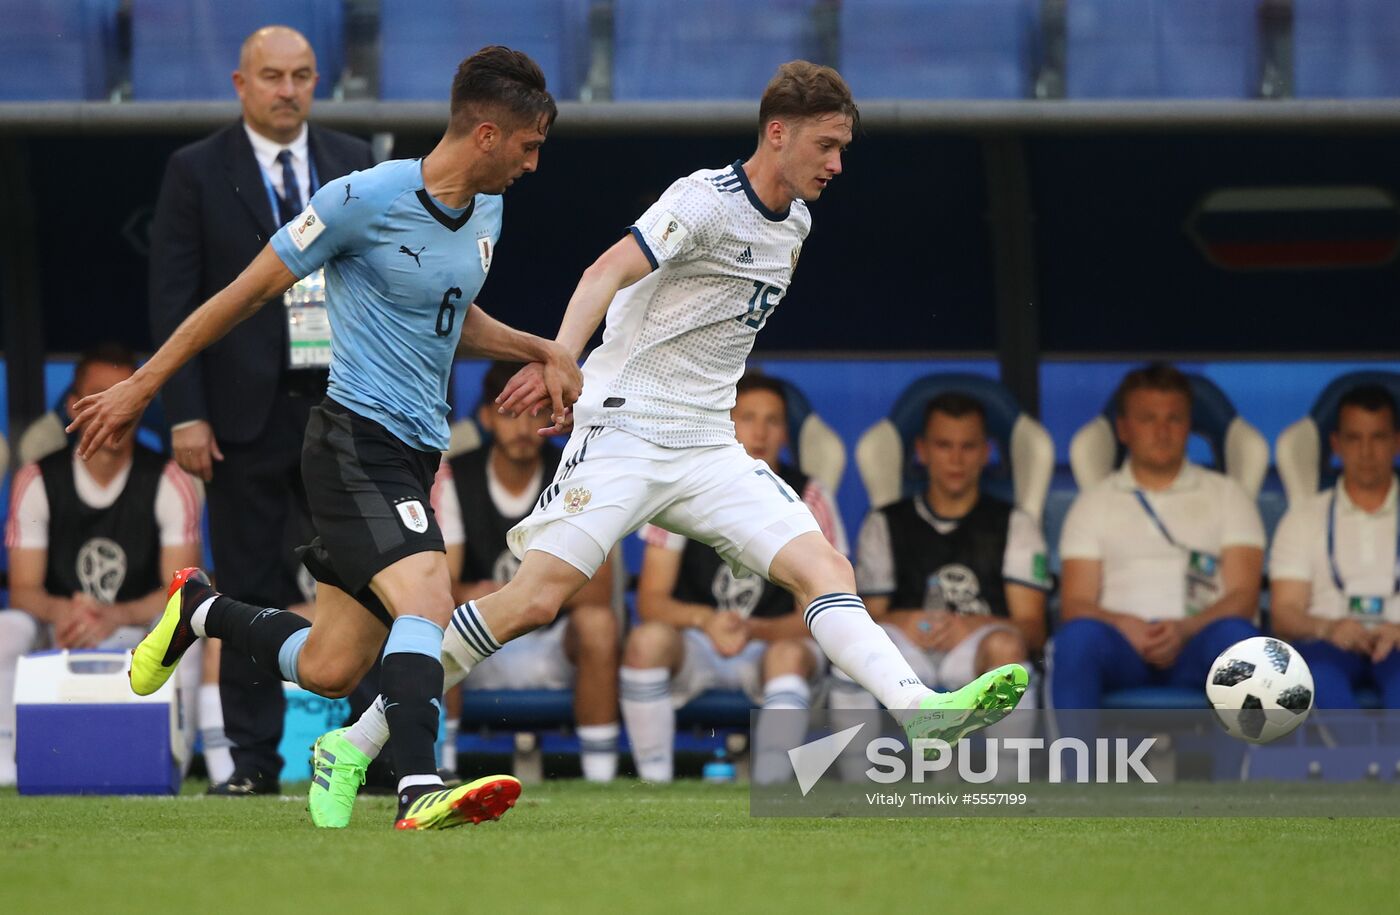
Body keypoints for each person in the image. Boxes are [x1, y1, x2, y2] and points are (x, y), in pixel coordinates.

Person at [298, 60, 1027, 815]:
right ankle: (354, 741)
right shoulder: (701, 200)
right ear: (777, 133)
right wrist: (562, 359)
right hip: (623, 431)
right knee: (534, 600)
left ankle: (918, 707)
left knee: (824, 564)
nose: (838, 163)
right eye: (827, 145)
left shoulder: (799, 225)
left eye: (844, 148)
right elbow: (602, 272)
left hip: (709, 446)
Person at [71, 46, 582, 831]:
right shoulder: (358, 198)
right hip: (353, 440)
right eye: (529, 146)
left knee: (329, 663)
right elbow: (238, 297)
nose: (535, 165)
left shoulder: (488, 206)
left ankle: (200, 613)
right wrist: (145, 385)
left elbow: (448, 316)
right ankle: (417, 783)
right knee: (428, 595)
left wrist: (539, 348)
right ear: (486, 134)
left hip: (416, 449)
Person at [148, 25, 375, 795]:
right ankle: (250, 763)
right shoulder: (195, 170)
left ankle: (369, 752)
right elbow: (174, 296)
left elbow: (383, 286)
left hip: (342, 404)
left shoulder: (354, 162)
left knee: (364, 578)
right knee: (245, 581)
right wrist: (185, 410)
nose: (288, 90)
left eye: (302, 75)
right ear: (242, 85)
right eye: (272, 76)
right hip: (240, 414)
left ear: (319, 83)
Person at [620, 371, 849, 784]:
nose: (760, 432)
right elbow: (650, 601)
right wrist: (706, 621)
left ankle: (772, 786)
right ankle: (654, 785)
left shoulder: (810, 496)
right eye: (747, 417)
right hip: (699, 643)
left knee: (790, 655)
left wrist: (758, 628)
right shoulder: (680, 485)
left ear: (786, 432)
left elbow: (836, 610)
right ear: (725, 420)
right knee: (645, 642)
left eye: (773, 420)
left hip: (774, 645)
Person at [0, 346, 204, 785]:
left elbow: (185, 592)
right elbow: (23, 590)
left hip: (137, 631)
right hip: (60, 629)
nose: (112, 408)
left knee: (191, 631)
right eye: (97, 396)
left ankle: (176, 756)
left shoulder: (170, 479)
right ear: (74, 405)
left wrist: (113, 616)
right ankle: (7, 760)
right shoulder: (36, 478)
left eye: (123, 394)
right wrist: (69, 614)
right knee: (7, 627)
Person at [427, 362, 621, 782]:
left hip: (553, 639)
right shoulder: (455, 476)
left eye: (536, 412)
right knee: (433, 619)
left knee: (600, 624)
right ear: (484, 417)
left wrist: (519, 594)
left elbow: (599, 592)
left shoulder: (576, 474)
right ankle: (443, 767)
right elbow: (444, 587)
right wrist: (518, 596)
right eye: (509, 412)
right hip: (477, 640)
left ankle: (602, 778)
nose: (522, 428)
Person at [1052, 363, 1263, 709]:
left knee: (1239, 637)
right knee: (1076, 639)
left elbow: (1244, 597)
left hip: (1200, 641)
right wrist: (1124, 625)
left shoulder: (1229, 495)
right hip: (1121, 646)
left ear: (1189, 426)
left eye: (1174, 419)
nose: (1162, 431)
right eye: (1148, 419)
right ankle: (1075, 764)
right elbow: (1075, 603)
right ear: (1123, 429)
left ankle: (1236, 766)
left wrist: (1185, 629)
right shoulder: (1093, 503)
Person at [855, 391, 1049, 733]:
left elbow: (1033, 630)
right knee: (855, 650)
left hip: (976, 655)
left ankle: (1009, 781)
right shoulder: (884, 522)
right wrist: (904, 619)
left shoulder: (1015, 524)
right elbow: (863, 617)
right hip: (908, 655)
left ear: (986, 452)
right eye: (944, 445)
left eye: (968, 446)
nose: (956, 459)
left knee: (1007, 650)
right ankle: (854, 781)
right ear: (922, 451)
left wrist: (970, 625)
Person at [1270, 384, 1400, 707]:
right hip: (1328, 643)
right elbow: (1284, 613)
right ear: (1336, 445)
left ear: (1397, 442)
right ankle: (1363, 759)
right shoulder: (1303, 516)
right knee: (1318, 676)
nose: (1366, 452)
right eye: (1354, 439)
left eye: (1378, 438)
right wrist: (1328, 627)